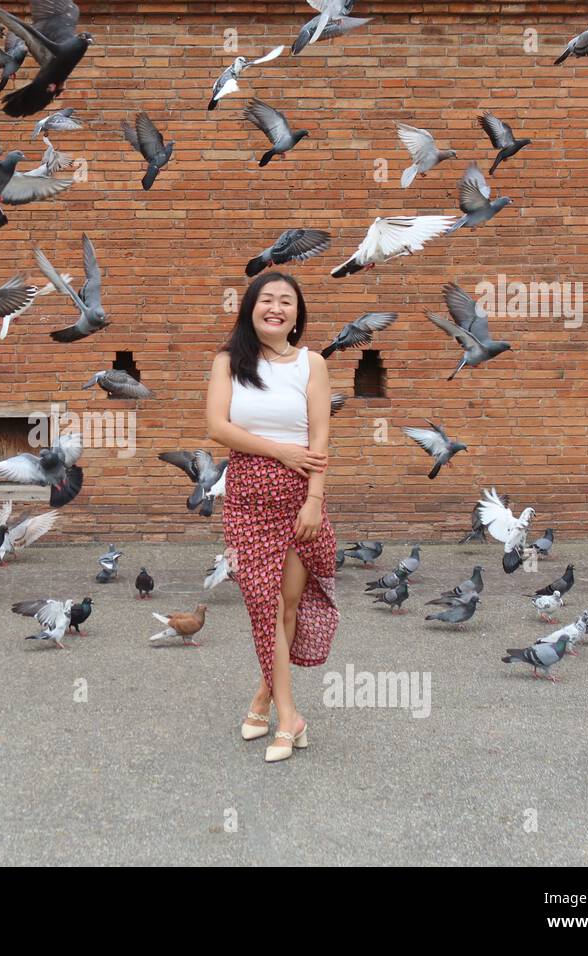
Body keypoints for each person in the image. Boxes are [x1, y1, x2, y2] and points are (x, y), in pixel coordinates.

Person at [206, 271, 340, 763]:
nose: (276, 308)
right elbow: (217, 425)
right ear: (251, 308)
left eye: (287, 301)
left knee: (285, 608)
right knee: (261, 603)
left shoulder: (313, 364)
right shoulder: (229, 363)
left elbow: (321, 440)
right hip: (247, 498)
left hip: (298, 497)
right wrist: (279, 451)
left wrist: (314, 500)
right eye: (267, 300)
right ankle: (291, 716)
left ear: (297, 314)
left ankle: (266, 698)